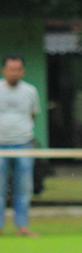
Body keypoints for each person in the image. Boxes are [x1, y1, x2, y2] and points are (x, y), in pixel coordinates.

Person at [0, 54, 40, 237]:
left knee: (23, 188)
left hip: (23, 145)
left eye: (17, 69)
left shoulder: (30, 91)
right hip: (0, 147)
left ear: (22, 71)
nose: (14, 73)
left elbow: (33, 115)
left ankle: (22, 227)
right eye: (11, 69)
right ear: (4, 70)